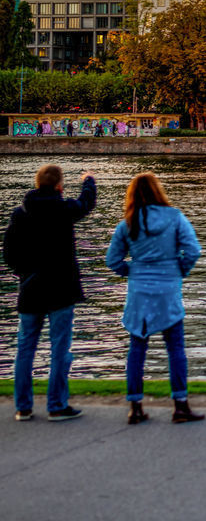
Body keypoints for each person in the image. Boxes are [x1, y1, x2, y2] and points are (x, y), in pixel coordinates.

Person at [105, 172, 204, 425]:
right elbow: (193, 249)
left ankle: (135, 406)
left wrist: (132, 271)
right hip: (168, 289)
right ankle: (180, 405)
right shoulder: (175, 217)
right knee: (176, 349)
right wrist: (179, 269)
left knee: (137, 349)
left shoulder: (127, 223)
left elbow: (112, 260)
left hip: (139, 291)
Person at [3, 163, 97, 422]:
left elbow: (8, 255)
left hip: (31, 288)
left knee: (25, 347)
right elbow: (86, 203)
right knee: (59, 348)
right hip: (61, 288)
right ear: (59, 185)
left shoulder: (19, 214)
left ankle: (23, 407)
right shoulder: (64, 210)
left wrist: (23, 272)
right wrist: (89, 180)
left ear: (37, 184)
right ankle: (56, 405)